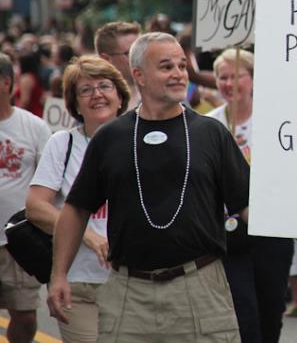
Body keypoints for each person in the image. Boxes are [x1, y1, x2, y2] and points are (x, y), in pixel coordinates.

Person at [47, 32, 250, 342]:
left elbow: (247, 203)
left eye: (182, 66)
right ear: (138, 75)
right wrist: (58, 274)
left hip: (199, 288)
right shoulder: (111, 137)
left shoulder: (212, 133)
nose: (179, 74)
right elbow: (76, 208)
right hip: (129, 291)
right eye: (167, 67)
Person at [26, 56, 129, 343]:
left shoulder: (138, 140)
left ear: (120, 96)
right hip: (79, 282)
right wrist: (86, 234)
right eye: (86, 89)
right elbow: (36, 207)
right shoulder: (63, 143)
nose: (97, 94)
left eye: (105, 86)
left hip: (133, 282)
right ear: (75, 105)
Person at [206, 48, 294, 342]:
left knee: (271, 310)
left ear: (253, 79)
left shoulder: (277, 120)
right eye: (223, 77)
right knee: (242, 313)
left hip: (272, 229)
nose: (230, 84)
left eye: (237, 76)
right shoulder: (209, 125)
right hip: (229, 232)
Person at [0, 53, 52, 343]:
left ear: (7, 83)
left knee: (25, 315)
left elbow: (49, 183)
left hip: (18, 241)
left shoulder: (33, 127)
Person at [94, 21, 140, 109]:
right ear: (106, 59)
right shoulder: (95, 103)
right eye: (131, 53)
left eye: (142, 51)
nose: (141, 57)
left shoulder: (159, 96)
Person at [15, 50, 45, 117]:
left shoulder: (26, 79)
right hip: (37, 113)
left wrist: (13, 114)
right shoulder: (34, 76)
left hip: (29, 114)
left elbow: (25, 101)